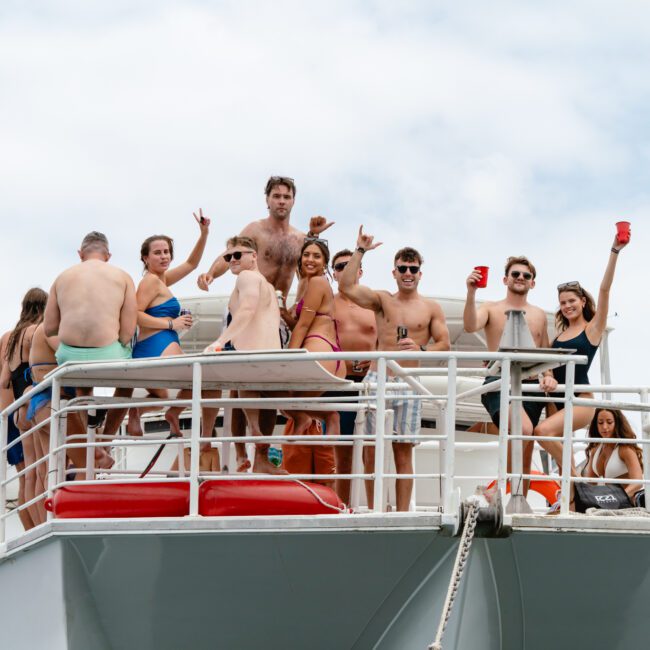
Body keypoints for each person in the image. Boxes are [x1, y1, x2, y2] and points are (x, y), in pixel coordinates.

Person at [196, 176, 333, 469]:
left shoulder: (299, 238)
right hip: (248, 306)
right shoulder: (255, 229)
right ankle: (239, 454)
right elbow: (230, 252)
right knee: (236, 381)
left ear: (293, 201)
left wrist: (313, 234)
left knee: (269, 382)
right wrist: (211, 274)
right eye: (276, 196)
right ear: (267, 200)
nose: (281, 201)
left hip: (276, 314)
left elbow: (310, 263)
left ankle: (261, 455)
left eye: (286, 196)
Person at [338, 227, 450, 511]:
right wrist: (360, 250)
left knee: (403, 453)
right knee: (372, 451)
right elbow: (347, 287)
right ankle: (376, 509)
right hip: (379, 379)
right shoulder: (383, 300)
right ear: (395, 272)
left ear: (420, 273)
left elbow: (445, 345)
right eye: (403, 268)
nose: (408, 273)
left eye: (413, 268)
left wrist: (421, 350)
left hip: (410, 382)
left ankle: (401, 512)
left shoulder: (431, 307)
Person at [102, 213, 220, 463]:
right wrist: (171, 323)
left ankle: (140, 411)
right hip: (158, 344)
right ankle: (174, 416)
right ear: (145, 258)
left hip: (159, 344)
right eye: (157, 252)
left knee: (161, 398)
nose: (164, 256)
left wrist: (204, 234)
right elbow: (134, 314)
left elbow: (191, 264)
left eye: (166, 251)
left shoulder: (162, 280)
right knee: (205, 379)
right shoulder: (149, 282)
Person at [533, 232, 630, 482]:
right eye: (562, 302)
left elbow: (605, 289)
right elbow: (548, 364)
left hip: (581, 400)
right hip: (555, 398)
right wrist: (546, 375)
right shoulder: (559, 335)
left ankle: (578, 480)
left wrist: (615, 251)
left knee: (541, 432)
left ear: (582, 301)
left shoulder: (593, 329)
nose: (567, 306)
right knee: (555, 451)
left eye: (572, 301)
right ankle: (572, 498)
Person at [463, 255, 557, 489]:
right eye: (515, 274)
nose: (521, 278)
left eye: (526, 275)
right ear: (506, 279)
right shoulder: (490, 308)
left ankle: (517, 506)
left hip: (532, 386)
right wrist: (471, 292)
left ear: (532, 283)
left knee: (525, 451)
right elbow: (470, 325)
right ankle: (499, 490)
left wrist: (548, 376)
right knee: (522, 428)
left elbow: (544, 352)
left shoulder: (539, 314)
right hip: (500, 380)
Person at [204, 236, 285, 475]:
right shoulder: (267, 285)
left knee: (211, 379)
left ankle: (219, 439)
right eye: (228, 256)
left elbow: (248, 308)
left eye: (237, 255)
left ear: (253, 256)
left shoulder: (247, 277)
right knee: (266, 401)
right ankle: (260, 454)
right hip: (272, 358)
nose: (232, 261)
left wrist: (221, 340)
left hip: (252, 357)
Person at [280, 238, 346, 486]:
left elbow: (306, 325)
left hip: (320, 345)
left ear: (325, 263)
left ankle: (324, 416)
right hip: (319, 346)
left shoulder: (318, 282)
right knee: (282, 397)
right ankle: (317, 416)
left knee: (279, 392)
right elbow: (298, 323)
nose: (310, 259)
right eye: (306, 255)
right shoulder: (306, 285)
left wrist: (288, 358)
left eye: (317, 256)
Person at [326, 248, 377, 504]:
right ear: (333, 273)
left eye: (349, 265)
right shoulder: (327, 303)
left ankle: (375, 506)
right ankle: (341, 506)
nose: (344, 270)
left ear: (360, 270)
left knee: (372, 446)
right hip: (339, 381)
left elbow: (385, 337)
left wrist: (377, 357)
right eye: (338, 266)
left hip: (370, 382)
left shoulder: (375, 303)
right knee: (342, 450)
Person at [44, 231, 136, 366]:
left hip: (69, 357)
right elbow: (127, 333)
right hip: (109, 354)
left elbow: (49, 329)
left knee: (83, 386)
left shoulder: (61, 278)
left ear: (80, 254)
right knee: (128, 383)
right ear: (108, 256)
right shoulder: (123, 277)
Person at [0, 287, 48, 529]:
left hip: (13, 412)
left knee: (24, 476)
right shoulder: (35, 333)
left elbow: (3, 380)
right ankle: (40, 526)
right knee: (39, 471)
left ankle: (31, 530)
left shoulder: (10, 337)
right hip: (31, 406)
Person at [583, 409, 643, 504]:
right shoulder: (596, 449)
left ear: (617, 423)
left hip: (626, 503)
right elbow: (590, 483)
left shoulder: (625, 449)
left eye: (609, 422)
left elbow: (638, 482)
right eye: (600, 422)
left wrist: (617, 499)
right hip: (606, 502)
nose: (604, 427)